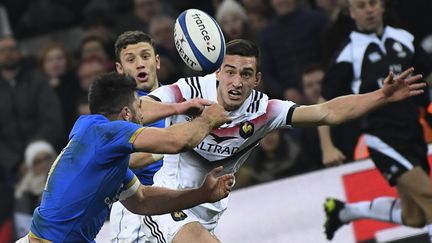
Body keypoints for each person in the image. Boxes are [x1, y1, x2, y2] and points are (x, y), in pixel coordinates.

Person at [139, 38, 425, 243]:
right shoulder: (189, 90)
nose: (237, 82)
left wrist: (380, 96)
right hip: (167, 203)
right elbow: (142, 110)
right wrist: (178, 108)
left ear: (257, 79)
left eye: (246, 74)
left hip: (207, 214)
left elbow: (326, 113)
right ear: (218, 72)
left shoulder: (264, 111)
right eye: (230, 72)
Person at [18, 72, 234, 243]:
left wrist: (202, 194)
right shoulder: (106, 133)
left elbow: (143, 201)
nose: (143, 115)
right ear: (126, 114)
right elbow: (176, 141)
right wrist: (207, 119)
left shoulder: (100, 147)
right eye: (140, 106)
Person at [318, 0, 432, 241]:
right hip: (383, 138)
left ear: (382, 7)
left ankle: (345, 212)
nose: (368, 10)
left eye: (372, 3)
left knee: (416, 217)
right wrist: (327, 147)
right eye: (361, 5)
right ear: (351, 13)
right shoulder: (349, 51)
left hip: (414, 132)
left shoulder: (404, 38)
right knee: (429, 197)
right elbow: (324, 99)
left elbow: (427, 76)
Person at [109, 31, 169, 242]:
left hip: (177, 202)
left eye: (145, 56)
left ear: (157, 61)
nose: (140, 64)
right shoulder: (116, 113)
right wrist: (170, 145)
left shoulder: (179, 98)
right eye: (131, 59)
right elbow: (118, 162)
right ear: (119, 69)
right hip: (135, 208)